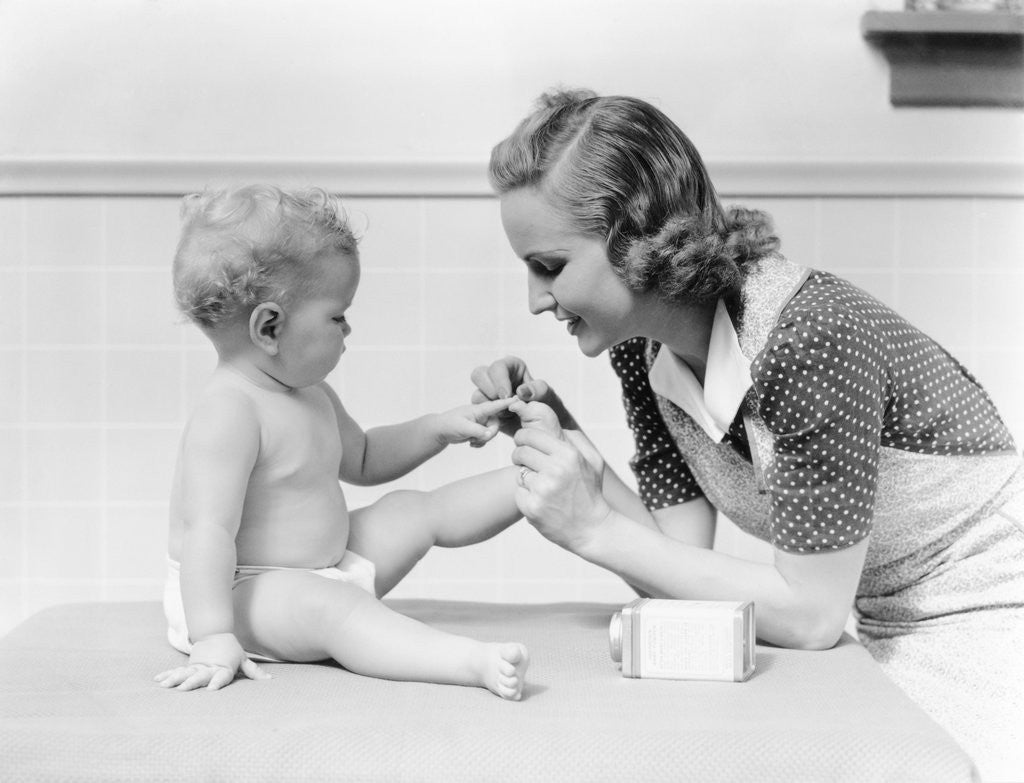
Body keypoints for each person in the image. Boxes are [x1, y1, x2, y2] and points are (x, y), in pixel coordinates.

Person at [472, 89, 1024, 777]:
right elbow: (670, 561)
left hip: (988, 617)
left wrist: (589, 529)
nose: (535, 298)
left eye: (549, 266)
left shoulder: (807, 337)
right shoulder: (644, 353)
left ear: (635, 237)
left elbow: (813, 615)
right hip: (881, 619)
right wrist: (563, 433)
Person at [156, 185, 528, 699]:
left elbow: (366, 458)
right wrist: (214, 635)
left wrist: (438, 427)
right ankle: (467, 661)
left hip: (324, 567)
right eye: (336, 315)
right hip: (238, 593)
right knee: (333, 612)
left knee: (410, 510)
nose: (348, 327)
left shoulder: (309, 392)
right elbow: (207, 533)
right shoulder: (229, 412)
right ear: (270, 326)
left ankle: (533, 480)